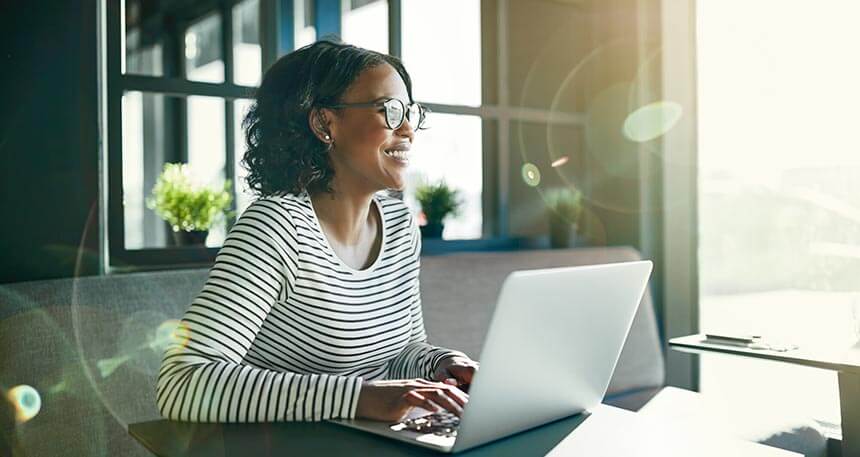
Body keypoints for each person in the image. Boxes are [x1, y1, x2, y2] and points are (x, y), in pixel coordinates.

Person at [156, 39, 479, 423]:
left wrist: (442, 365)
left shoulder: (399, 225)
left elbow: (400, 351)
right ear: (325, 124)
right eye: (389, 111)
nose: (408, 129)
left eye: (409, 111)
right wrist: (359, 398)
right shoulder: (275, 227)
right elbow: (182, 381)